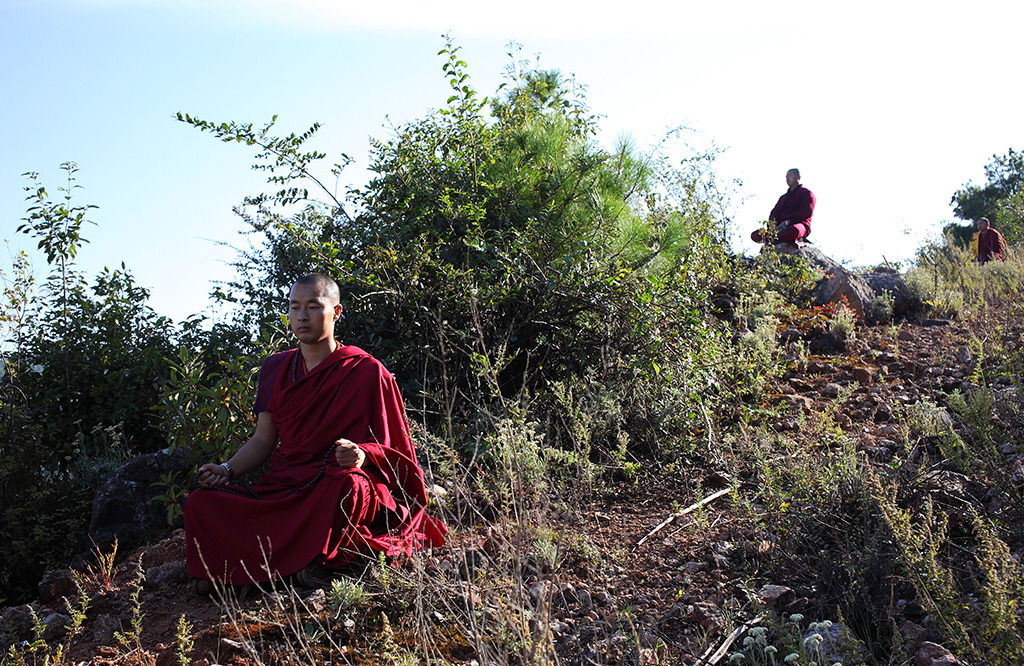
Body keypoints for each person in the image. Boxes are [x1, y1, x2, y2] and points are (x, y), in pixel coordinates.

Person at [184, 273, 446, 593]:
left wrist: (363, 454)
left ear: (335, 312)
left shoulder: (365, 371)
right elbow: (263, 439)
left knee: (347, 487)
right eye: (294, 308)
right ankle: (301, 568)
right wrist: (227, 469)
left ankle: (273, 573)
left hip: (335, 484)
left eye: (312, 306)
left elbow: (396, 452)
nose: (302, 316)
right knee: (201, 502)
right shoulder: (275, 368)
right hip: (286, 486)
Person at [751, 168, 816, 245]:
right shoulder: (783, 197)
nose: (787, 178)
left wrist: (788, 221)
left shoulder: (806, 193)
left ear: (798, 177)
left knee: (794, 230)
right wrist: (773, 224)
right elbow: (774, 212)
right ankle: (777, 239)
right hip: (779, 229)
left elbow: (806, 212)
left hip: (798, 225)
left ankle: (775, 240)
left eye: (790, 176)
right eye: (786, 176)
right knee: (756, 234)